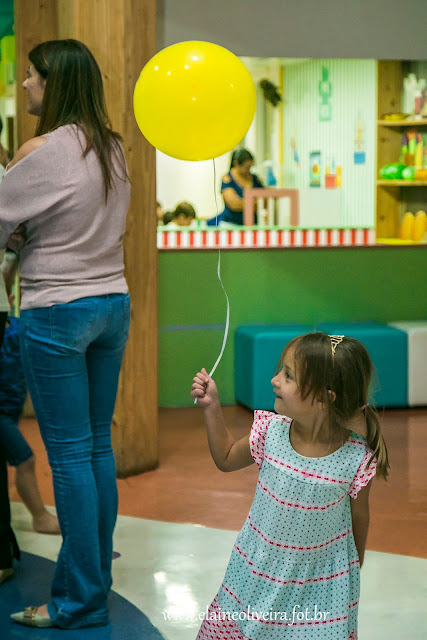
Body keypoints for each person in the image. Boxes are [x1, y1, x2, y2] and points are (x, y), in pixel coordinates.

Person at [0, 39, 130, 629]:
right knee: (96, 448)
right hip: (111, 305)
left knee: (72, 457)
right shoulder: (112, 147)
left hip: (56, 310)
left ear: (53, 84)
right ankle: (93, 582)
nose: (25, 84)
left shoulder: (41, 150)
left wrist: (17, 236)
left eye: (31, 75)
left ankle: (78, 601)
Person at [191, 332, 389, 640]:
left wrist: (350, 568)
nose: (274, 380)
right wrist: (211, 406)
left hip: (318, 588)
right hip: (256, 575)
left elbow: (359, 517)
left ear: (324, 398)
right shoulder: (270, 432)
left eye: (288, 375)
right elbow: (226, 457)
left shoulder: (356, 460)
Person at [0, 302, 60, 535]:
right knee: (25, 459)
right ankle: (39, 516)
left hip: (12, 407)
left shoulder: (18, 327)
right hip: (1, 413)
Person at [220, 148, 264, 225]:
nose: (248, 170)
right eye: (246, 167)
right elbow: (234, 204)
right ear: (236, 164)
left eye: (250, 167)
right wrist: (255, 203)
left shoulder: (255, 179)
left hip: (253, 224)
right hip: (231, 224)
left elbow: (265, 200)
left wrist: (243, 202)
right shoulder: (227, 179)